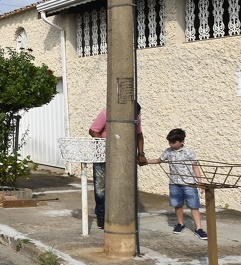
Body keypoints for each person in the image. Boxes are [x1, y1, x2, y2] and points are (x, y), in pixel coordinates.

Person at [88, 101, 145, 229]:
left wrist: (140, 153)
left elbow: (139, 135)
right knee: (101, 185)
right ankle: (101, 215)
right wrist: (107, 147)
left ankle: (120, 213)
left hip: (124, 156)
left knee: (122, 184)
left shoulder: (136, 117)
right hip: (102, 156)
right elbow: (93, 131)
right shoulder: (107, 113)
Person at [146, 128, 208, 239]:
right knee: (177, 204)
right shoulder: (168, 151)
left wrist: (200, 183)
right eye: (169, 142)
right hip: (174, 183)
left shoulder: (189, 152)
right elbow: (158, 160)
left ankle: (199, 229)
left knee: (194, 205)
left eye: (174, 142)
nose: (171, 144)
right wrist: (145, 161)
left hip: (189, 183)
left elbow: (195, 167)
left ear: (182, 141)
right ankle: (180, 224)